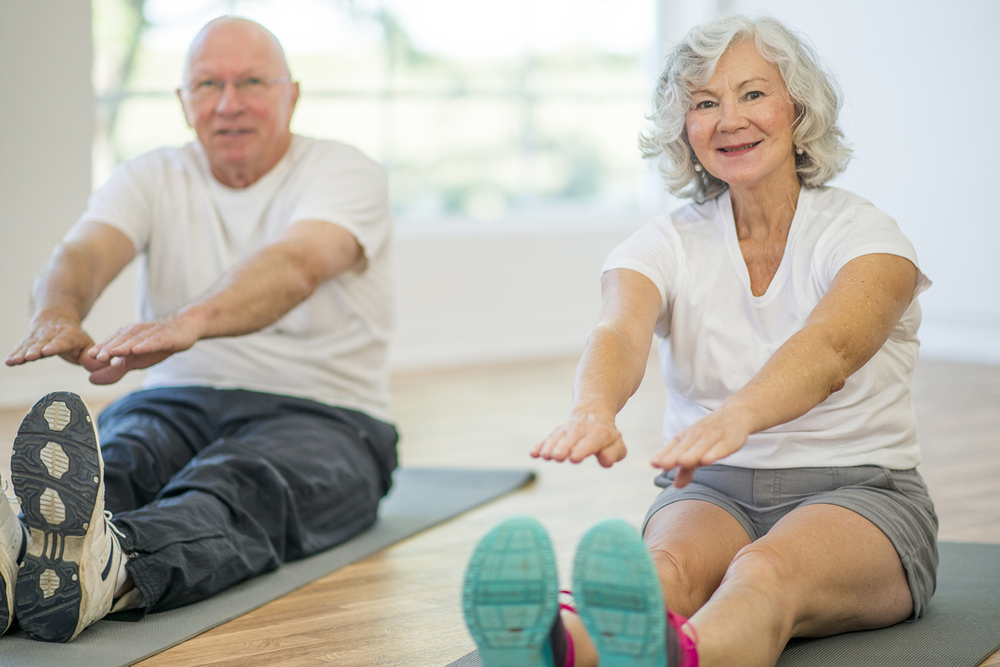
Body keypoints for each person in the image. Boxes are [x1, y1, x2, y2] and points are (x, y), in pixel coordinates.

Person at [461, 15, 937, 667]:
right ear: (683, 129)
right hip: (711, 486)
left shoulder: (866, 234)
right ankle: (554, 646)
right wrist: (592, 409)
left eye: (752, 93)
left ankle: (681, 656)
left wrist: (737, 414)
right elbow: (619, 330)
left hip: (862, 489)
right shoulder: (667, 240)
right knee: (665, 570)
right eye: (704, 103)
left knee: (766, 569)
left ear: (797, 107)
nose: (728, 119)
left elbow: (831, 348)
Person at [1, 16, 398, 643]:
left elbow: (296, 266)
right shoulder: (151, 174)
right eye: (208, 84)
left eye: (252, 82)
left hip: (326, 416)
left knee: (233, 484)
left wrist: (189, 322)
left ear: (292, 93)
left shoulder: (344, 172)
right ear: (184, 104)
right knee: (121, 461)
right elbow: (80, 255)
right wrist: (57, 312)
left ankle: (113, 565)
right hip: (174, 401)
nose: (229, 103)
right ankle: (18, 554)